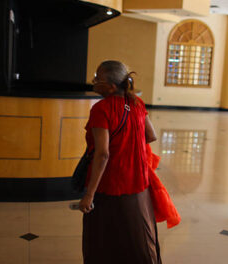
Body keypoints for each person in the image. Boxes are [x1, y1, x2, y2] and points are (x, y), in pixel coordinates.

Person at [79, 60, 161, 264]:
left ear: (111, 86)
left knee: (103, 241)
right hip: (139, 184)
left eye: (98, 78)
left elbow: (103, 154)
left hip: (110, 186)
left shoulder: (101, 109)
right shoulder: (136, 103)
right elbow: (151, 135)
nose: (94, 81)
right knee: (139, 240)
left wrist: (89, 194)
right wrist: (128, 143)